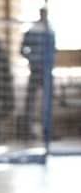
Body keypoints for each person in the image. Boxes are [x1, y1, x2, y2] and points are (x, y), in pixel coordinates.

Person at [19, 8, 54, 140]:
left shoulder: (50, 30)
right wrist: (31, 59)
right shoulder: (33, 30)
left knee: (48, 101)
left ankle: (47, 131)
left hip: (47, 71)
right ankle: (27, 130)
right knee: (30, 101)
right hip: (35, 69)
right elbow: (22, 49)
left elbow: (53, 49)